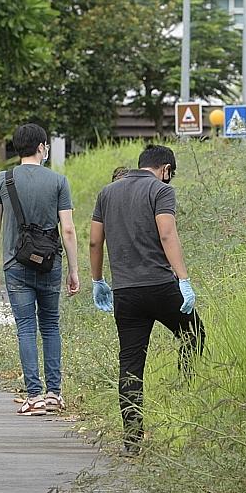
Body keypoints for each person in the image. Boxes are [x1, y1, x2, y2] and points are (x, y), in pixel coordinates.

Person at [88, 144, 203, 454]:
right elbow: (167, 234)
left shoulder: (107, 193)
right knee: (194, 334)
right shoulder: (160, 191)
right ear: (165, 169)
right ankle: (188, 391)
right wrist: (184, 279)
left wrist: (98, 280)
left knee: (130, 363)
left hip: (125, 293)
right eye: (171, 175)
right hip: (161, 287)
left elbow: (94, 240)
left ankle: (133, 439)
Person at [0, 124, 80, 416]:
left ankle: (34, 396)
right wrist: (74, 270)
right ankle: (54, 395)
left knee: (26, 327)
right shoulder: (59, 181)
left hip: (16, 264)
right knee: (50, 325)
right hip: (51, 264)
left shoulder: (3, 180)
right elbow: (69, 230)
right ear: (41, 147)